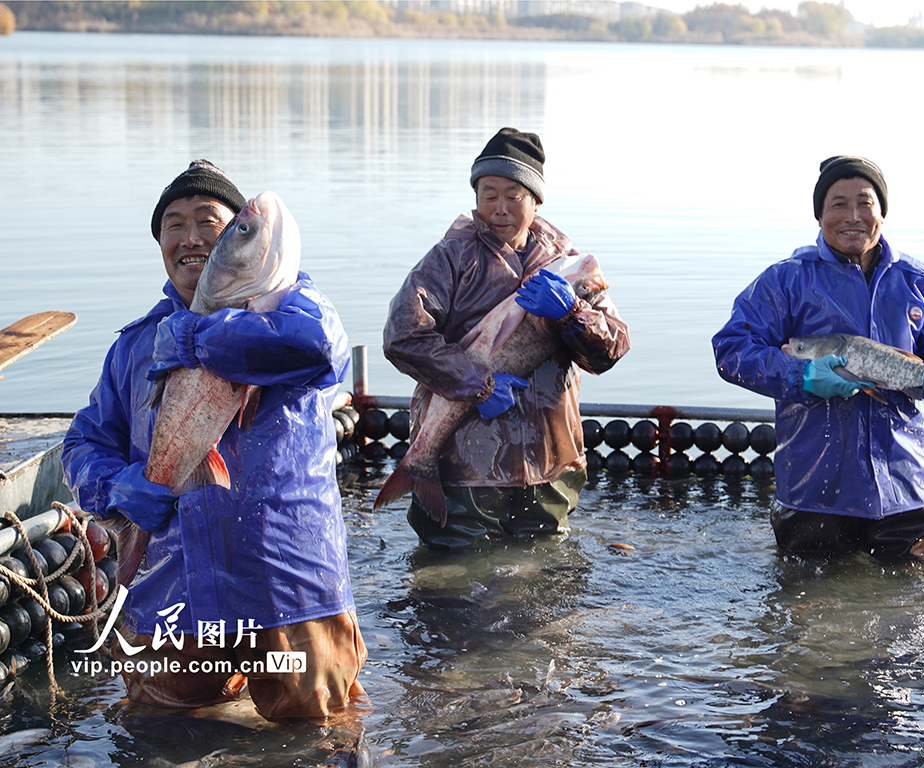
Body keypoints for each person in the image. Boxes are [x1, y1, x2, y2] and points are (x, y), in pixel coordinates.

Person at [62, 160, 366, 720]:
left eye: (212, 222)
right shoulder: (134, 347)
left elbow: (318, 350)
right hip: (173, 594)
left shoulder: (293, 307)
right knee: (163, 734)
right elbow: (82, 445)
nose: (191, 238)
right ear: (159, 243)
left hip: (287, 583)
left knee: (317, 735)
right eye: (173, 225)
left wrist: (201, 337)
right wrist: (119, 487)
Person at [382, 127, 630, 549]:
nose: (499, 208)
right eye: (488, 194)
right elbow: (403, 336)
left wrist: (573, 314)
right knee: (454, 587)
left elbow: (612, 348)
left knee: (547, 587)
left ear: (535, 200)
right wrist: (479, 385)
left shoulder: (570, 267)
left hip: (551, 464)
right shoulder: (449, 259)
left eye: (513, 195)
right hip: (466, 467)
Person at [712, 156, 924, 561]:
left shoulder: (919, 281)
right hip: (814, 490)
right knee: (808, 611)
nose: (853, 216)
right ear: (819, 216)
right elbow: (731, 350)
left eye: (865, 203)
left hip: (906, 488)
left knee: (911, 614)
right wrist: (802, 376)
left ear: (882, 212)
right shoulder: (787, 279)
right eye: (838, 204)